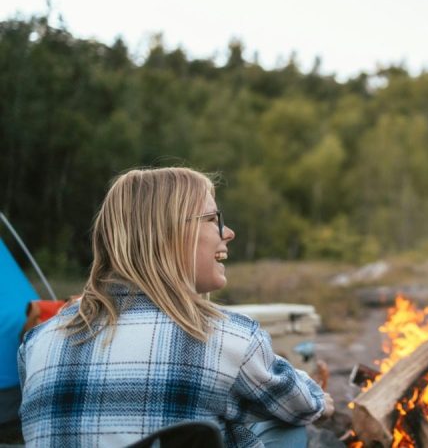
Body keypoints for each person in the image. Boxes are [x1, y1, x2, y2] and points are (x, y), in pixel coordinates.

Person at [17, 167, 334, 447]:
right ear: (169, 234)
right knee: (287, 429)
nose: (228, 232)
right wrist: (323, 401)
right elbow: (302, 404)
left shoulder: (37, 341)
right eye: (213, 219)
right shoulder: (226, 336)